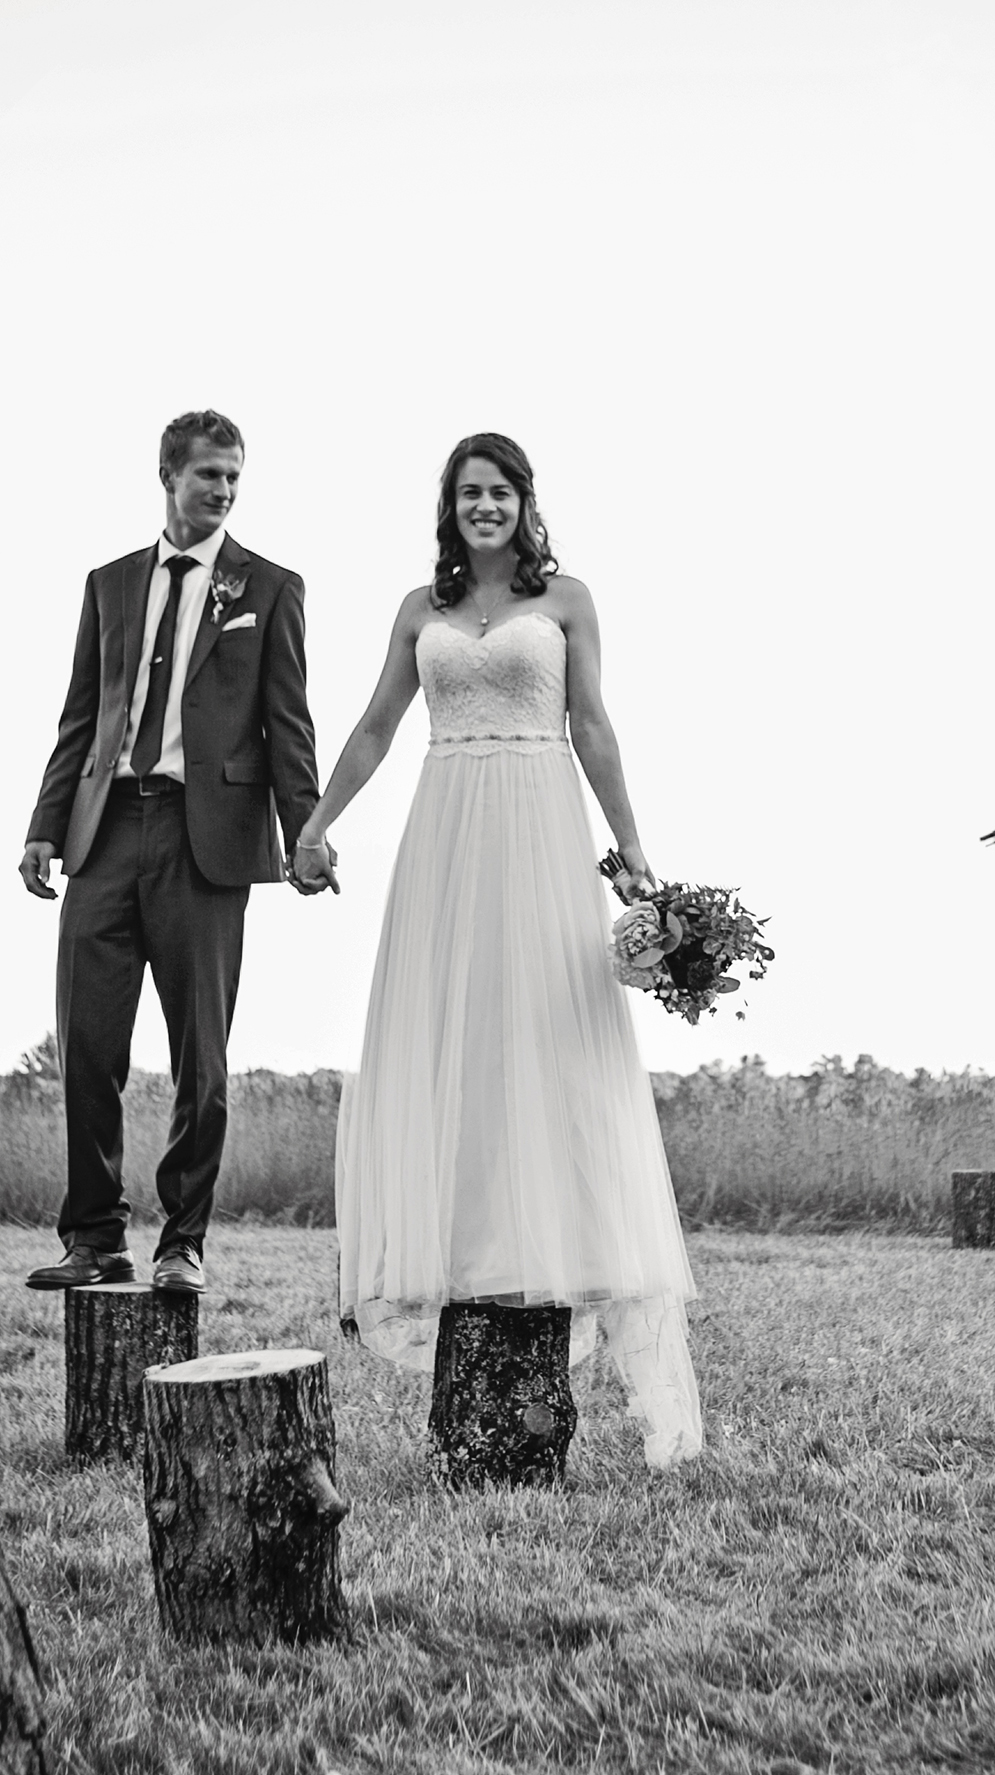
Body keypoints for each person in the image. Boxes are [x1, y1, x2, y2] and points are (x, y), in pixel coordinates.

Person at [295, 433, 703, 1471]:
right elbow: (377, 725)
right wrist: (316, 821)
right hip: (445, 823)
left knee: (544, 1023)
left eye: (501, 491)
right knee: (457, 1025)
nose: (485, 506)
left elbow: (595, 724)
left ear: (526, 503)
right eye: (469, 492)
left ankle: (554, 1239)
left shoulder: (565, 600)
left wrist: (633, 845)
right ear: (450, 507)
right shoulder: (415, 610)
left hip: (539, 818)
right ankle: (468, 1238)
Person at [19, 410, 321, 1295]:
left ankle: (183, 1242)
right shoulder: (108, 584)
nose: (223, 490)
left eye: (233, 477)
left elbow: (289, 723)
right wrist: (44, 824)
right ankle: (94, 1237)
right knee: (85, 1043)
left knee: (202, 1054)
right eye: (208, 475)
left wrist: (304, 830)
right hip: (105, 834)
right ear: (168, 474)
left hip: (209, 844)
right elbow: (82, 716)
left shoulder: (270, 586)